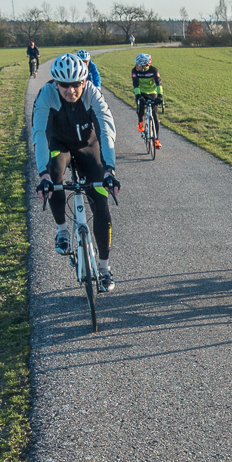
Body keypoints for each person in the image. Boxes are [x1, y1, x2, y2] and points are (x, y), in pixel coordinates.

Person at [32, 53, 121, 292]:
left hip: (88, 145)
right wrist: (43, 175)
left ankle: (104, 268)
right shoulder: (46, 95)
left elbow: (107, 130)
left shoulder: (93, 93)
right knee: (55, 177)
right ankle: (62, 230)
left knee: (101, 203)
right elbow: (40, 135)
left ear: (84, 81)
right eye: (64, 85)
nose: (70, 90)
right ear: (55, 83)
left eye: (76, 84)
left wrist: (109, 169)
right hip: (59, 145)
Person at [131, 53, 163, 147]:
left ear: (145, 65)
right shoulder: (134, 71)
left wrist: (159, 96)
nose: (136, 66)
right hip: (141, 92)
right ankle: (140, 121)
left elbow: (158, 83)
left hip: (152, 93)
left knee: (155, 116)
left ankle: (156, 139)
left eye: (138, 64)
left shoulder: (153, 70)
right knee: (141, 106)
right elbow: (135, 84)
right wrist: (138, 96)